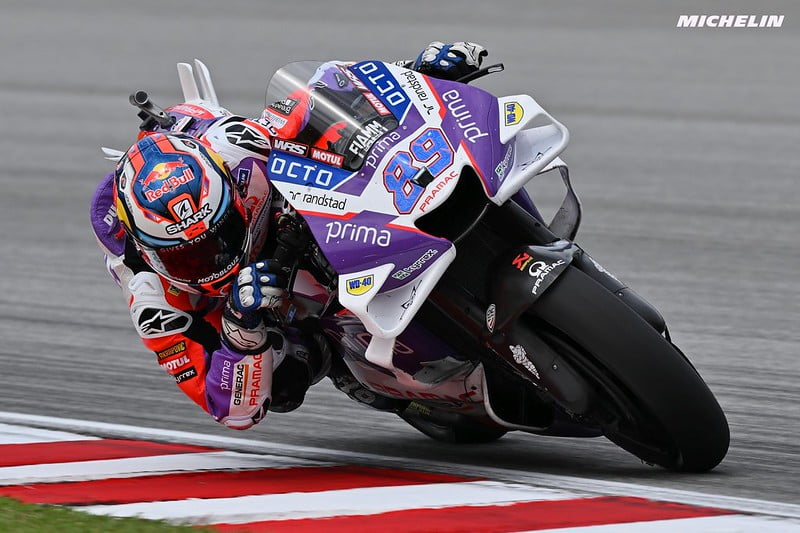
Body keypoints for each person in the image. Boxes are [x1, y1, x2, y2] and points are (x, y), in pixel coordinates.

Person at [89, 42, 488, 430]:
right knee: (284, 380)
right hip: (250, 308)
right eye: (188, 257)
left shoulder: (234, 146)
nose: (216, 257)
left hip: (294, 218)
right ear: (149, 251)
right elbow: (232, 412)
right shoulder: (152, 299)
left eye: (221, 234)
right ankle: (348, 363)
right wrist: (241, 327)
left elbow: (322, 96)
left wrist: (415, 74)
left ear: (231, 191)